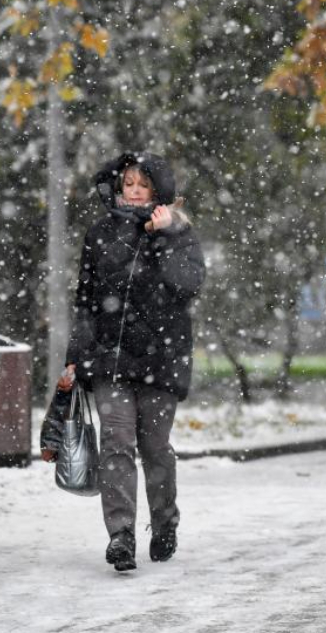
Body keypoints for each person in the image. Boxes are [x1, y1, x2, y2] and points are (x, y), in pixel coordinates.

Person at [42, 152, 205, 572]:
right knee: (116, 444)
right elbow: (85, 303)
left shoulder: (181, 234)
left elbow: (187, 286)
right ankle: (121, 535)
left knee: (155, 449)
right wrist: (74, 361)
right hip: (109, 359)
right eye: (127, 184)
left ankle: (165, 521)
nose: (132, 191)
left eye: (142, 185)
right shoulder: (100, 232)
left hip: (162, 361)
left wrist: (165, 237)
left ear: (158, 191)